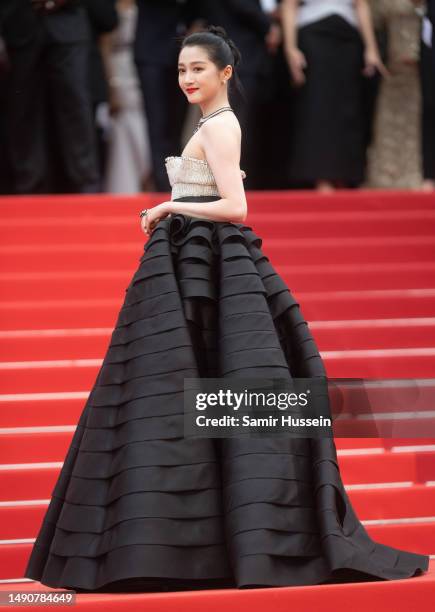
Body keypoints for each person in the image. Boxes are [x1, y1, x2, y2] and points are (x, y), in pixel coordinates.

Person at [23, 25, 429, 593]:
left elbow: (237, 207)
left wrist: (168, 205)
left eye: (198, 69)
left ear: (226, 73)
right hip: (196, 260)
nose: (188, 79)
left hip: (207, 258)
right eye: (182, 70)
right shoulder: (213, 124)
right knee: (194, 389)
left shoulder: (222, 124)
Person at [281, 0, 387, 191]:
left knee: (347, 107)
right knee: (318, 104)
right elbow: (289, 5)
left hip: (348, 35)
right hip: (313, 33)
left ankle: (345, 175)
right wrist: (290, 48)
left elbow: (361, 5)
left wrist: (371, 48)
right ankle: (322, 178)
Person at [0, 0, 100, 194]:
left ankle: (86, 183)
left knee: (75, 105)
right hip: (19, 21)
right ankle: (28, 185)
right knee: (23, 108)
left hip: (68, 20)